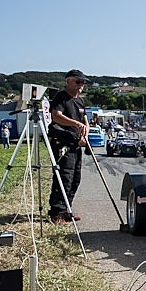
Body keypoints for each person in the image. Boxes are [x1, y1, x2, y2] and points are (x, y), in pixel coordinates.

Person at [48, 69, 90, 223]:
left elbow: (85, 120)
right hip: (63, 142)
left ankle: (67, 209)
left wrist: (85, 132)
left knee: (75, 178)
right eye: (78, 81)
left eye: (83, 82)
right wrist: (76, 124)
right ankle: (57, 212)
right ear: (68, 81)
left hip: (76, 143)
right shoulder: (61, 97)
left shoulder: (80, 101)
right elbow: (57, 116)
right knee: (64, 176)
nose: (81, 85)